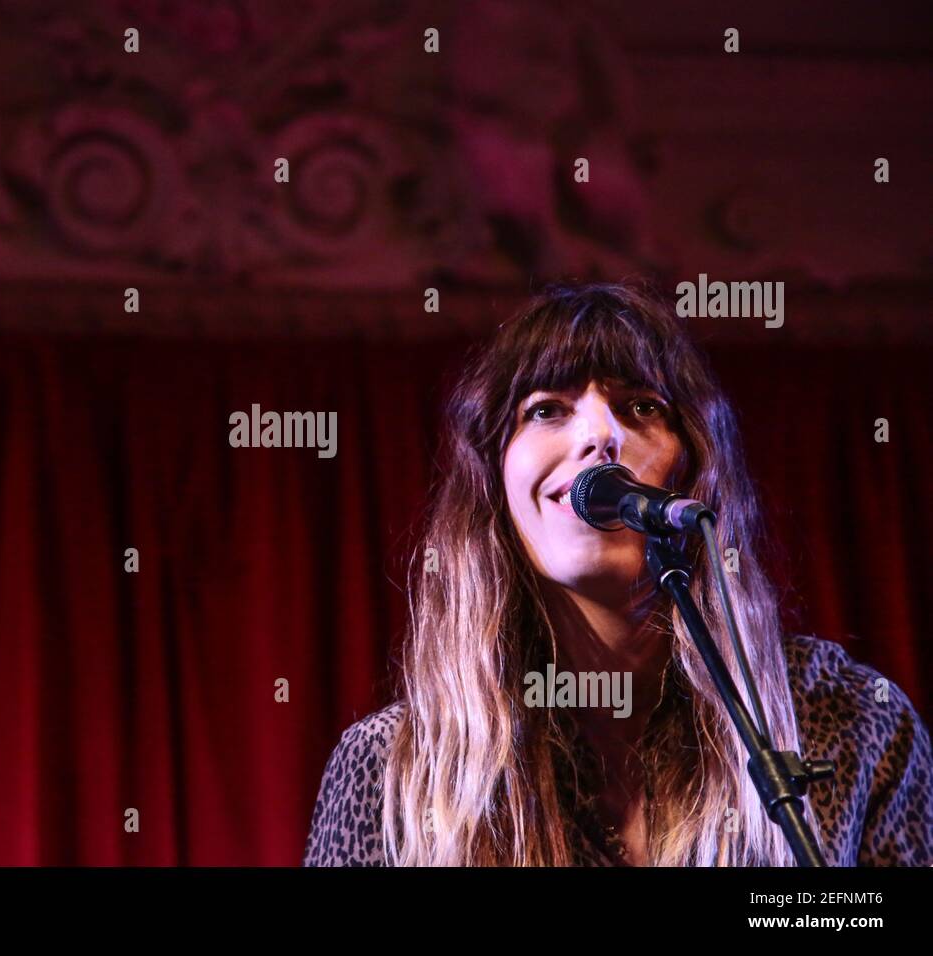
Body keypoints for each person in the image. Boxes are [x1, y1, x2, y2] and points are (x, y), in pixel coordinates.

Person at [303, 282, 933, 866]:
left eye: (640, 407)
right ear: (494, 481)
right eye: (547, 410)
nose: (601, 435)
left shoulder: (849, 721)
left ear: (693, 472)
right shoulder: (392, 770)